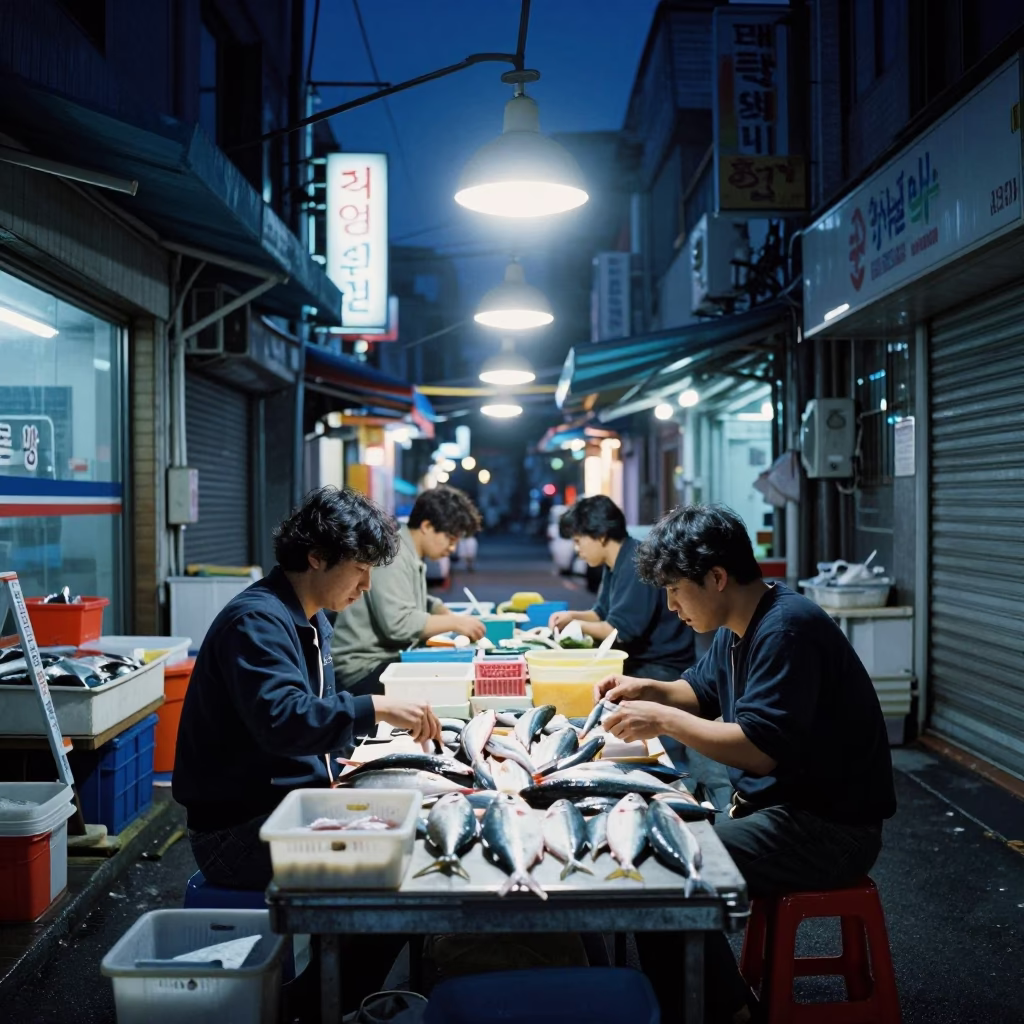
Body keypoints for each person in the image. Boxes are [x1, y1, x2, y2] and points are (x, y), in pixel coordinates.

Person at [596, 504, 897, 1023]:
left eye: (675, 590)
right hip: (777, 811)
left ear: (716, 577)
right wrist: (647, 690)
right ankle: (712, 1001)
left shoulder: (786, 629)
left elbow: (758, 750)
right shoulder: (739, 625)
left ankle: (728, 1013)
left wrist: (662, 721)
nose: (670, 606)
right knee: (649, 846)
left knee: (661, 872)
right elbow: (698, 691)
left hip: (828, 828)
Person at [173, 486, 442, 889]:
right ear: (316, 556)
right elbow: (285, 720)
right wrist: (376, 707)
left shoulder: (311, 618)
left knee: (418, 822)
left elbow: (316, 722)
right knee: (402, 868)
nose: (367, 585)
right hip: (237, 834)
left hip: (288, 804)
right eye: (360, 568)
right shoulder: (256, 622)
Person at [332, 485, 486, 694]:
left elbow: (406, 597)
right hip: (363, 669)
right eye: (450, 539)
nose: (452, 548)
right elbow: (398, 625)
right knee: (448, 687)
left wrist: (436, 607)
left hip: (384, 660)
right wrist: (456, 622)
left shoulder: (407, 550)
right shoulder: (394, 554)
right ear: (427, 526)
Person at [549, 495, 695, 681]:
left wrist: (577, 625)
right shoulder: (616, 560)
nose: (577, 550)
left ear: (601, 536)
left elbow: (619, 630)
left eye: (578, 541)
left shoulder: (636, 562)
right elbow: (602, 613)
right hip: (639, 661)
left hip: (661, 668)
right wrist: (571, 617)